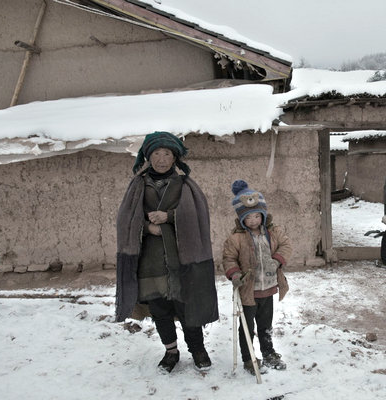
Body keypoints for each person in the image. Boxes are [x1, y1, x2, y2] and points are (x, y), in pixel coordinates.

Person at [115, 131, 219, 373]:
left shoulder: (185, 185)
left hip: (182, 258)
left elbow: (197, 216)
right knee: (159, 308)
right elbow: (126, 219)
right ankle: (171, 351)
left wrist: (169, 217)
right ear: (148, 157)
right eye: (157, 154)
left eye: (167, 154)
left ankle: (197, 349)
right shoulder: (138, 185)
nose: (162, 159)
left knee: (186, 306)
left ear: (175, 158)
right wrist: (147, 226)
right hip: (150, 261)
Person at [222, 180, 292, 375]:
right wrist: (235, 274)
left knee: (265, 324)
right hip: (248, 290)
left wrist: (276, 260)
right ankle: (248, 357)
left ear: (262, 214)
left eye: (256, 216)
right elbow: (228, 258)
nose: (253, 220)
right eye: (248, 217)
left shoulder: (273, 232)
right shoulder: (236, 238)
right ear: (241, 218)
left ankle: (268, 352)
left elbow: (286, 246)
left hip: (268, 287)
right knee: (247, 326)